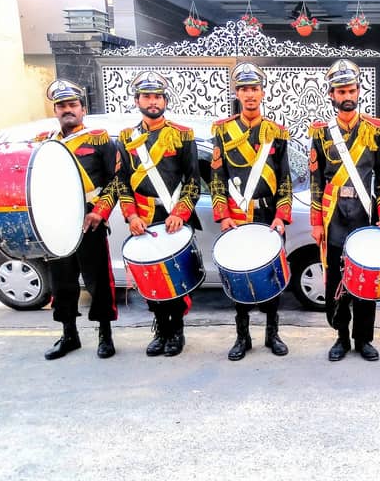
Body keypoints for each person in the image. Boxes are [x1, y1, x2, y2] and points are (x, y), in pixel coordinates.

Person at [113, 71, 201, 357]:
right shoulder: (127, 137)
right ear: (137, 100)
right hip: (144, 218)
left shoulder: (182, 134)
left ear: (165, 100)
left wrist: (181, 212)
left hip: (173, 217)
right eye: (147, 97)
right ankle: (160, 329)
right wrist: (131, 215)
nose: (153, 102)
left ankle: (176, 331)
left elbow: (192, 180)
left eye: (157, 97)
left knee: (174, 280)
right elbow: (121, 182)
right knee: (151, 279)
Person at [309, 59, 380, 362]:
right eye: (341, 91)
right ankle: (341, 336)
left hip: (365, 212)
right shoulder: (320, 133)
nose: (347, 95)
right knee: (337, 279)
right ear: (332, 95)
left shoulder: (378, 129)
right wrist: (317, 223)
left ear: (360, 91)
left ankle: (364, 339)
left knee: (367, 277)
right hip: (334, 216)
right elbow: (316, 181)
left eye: (351, 89)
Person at [210, 62, 292, 361]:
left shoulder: (276, 132)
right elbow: (216, 176)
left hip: (268, 217)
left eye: (254, 89)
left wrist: (282, 216)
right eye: (244, 89)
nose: (249, 94)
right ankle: (242, 337)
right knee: (240, 281)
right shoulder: (222, 130)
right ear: (236, 93)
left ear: (262, 93)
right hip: (238, 218)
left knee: (271, 280)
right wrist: (223, 215)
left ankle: (273, 334)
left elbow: (285, 179)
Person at [37, 80, 119, 361]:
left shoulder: (99, 139)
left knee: (97, 282)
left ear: (83, 109)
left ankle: (105, 335)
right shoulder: (45, 143)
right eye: (61, 106)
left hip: (90, 222)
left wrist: (100, 211)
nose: (67, 110)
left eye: (73, 105)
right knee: (62, 282)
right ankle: (69, 334)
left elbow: (116, 181)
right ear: (55, 110)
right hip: (56, 225)